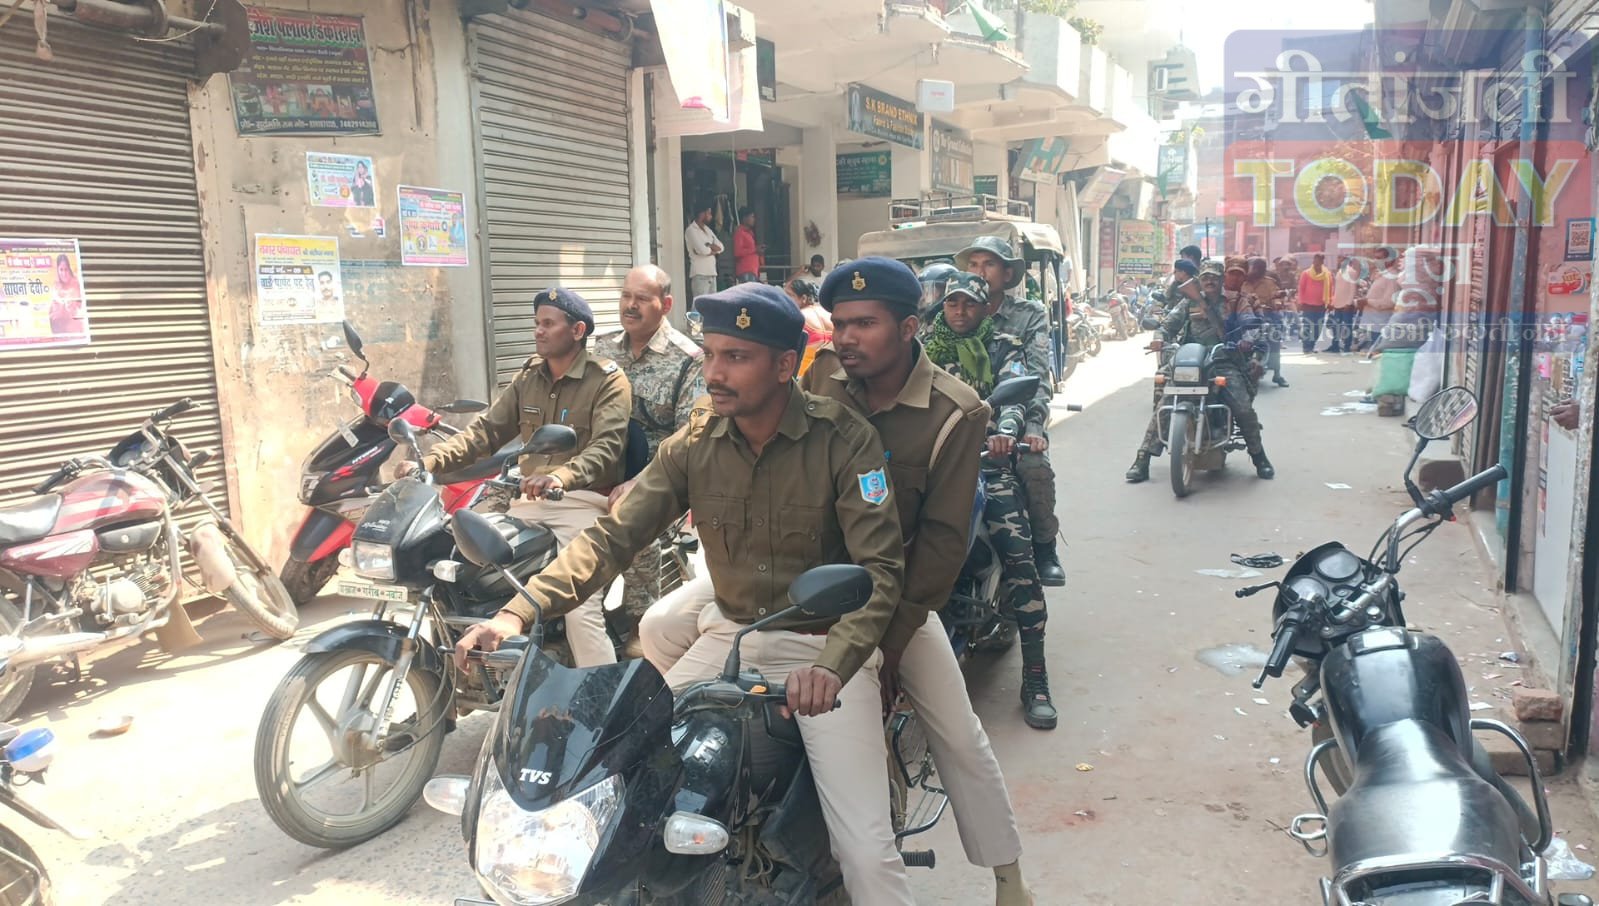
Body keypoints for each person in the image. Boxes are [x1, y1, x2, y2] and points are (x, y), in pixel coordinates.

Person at [458, 283, 919, 905]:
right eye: (711, 355)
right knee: (626, 774)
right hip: (730, 636)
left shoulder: (843, 440)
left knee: (863, 849)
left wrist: (833, 667)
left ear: (785, 365)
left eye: (737, 357)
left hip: (821, 646)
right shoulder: (697, 441)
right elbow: (614, 537)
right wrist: (518, 613)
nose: (715, 373)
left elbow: (879, 570)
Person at [801, 257, 1038, 901]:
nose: (847, 338)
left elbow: (941, 543)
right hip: (810, 590)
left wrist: (891, 641)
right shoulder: (822, 378)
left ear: (908, 328)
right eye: (840, 324)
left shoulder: (956, 412)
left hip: (899, 595)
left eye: (865, 324)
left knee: (958, 736)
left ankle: (1008, 877)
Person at [410, 287, 629, 667]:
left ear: (577, 330)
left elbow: (606, 448)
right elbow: (485, 432)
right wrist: (429, 463)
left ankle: (604, 698)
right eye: (537, 323)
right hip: (527, 504)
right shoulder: (529, 377)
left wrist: (561, 477)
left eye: (549, 324)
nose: (538, 331)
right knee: (459, 579)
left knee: (580, 611)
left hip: (582, 506)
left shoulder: (606, 380)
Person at [923, 270, 1058, 729]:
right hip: (928, 469)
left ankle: (1036, 678)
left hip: (985, 465)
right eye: (952, 303)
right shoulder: (923, 349)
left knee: (1020, 561)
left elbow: (1016, 397)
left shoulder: (1004, 346)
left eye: (969, 304)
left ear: (984, 308)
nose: (959, 311)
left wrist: (1005, 431)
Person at [592, 265, 705, 648]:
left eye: (642, 298)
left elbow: (689, 436)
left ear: (665, 304)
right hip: (605, 467)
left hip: (662, 476)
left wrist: (639, 481)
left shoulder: (689, 358)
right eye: (626, 296)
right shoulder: (603, 348)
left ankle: (642, 628)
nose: (630, 305)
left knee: (633, 521)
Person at [955, 237, 1065, 587]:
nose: (980, 272)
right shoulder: (951, 313)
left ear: (1006, 274)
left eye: (988, 264)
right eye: (973, 265)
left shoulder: (1028, 314)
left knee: (1034, 467)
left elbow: (1037, 376)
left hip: (1013, 416)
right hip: (958, 421)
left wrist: (1033, 428)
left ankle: (1045, 548)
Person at [1126, 260, 1275, 482]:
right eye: (1205, 277)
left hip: (1223, 360)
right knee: (1165, 404)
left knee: (1242, 407)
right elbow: (1167, 326)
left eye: (1214, 277)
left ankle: (1259, 457)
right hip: (1190, 361)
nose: (1209, 281)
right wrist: (1159, 339)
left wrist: (1246, 340)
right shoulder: (1189, 301)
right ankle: (1142, 460)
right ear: (1199, 280)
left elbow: (1251, 326)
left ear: (1221, 279)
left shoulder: (1235, 300)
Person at [1241, 256, 1290, 388]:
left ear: (1260, 269)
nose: (1251, 270)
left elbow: (1276, 297)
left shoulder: (1269, 283)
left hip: (1266, 315)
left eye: (1253, 268)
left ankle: (1277, 374)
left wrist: (1277, 303)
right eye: (1249, 267)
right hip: (1245, 315)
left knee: (1274, 339)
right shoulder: (1241, 282)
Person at [685, 202, 723, 299]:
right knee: (700, 305)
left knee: (712, 305)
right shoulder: (691, 230)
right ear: (702, 214)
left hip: (712, 273)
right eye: (709, 213)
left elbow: (721, 247)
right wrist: (713, 250)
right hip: (700, 274)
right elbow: (702, 250)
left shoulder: (708, 230)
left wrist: (709, 245)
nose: (711, 216)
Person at [1327, 256, 1364, 354]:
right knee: (1336, 326)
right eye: (1339, 260)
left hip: (1347, 304)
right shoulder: (1339, 271)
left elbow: (1353, 289)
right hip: (1338, 303)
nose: (1339, 262)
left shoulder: (1352, 272)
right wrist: (1333, 302)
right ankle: (1335, 346)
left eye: (1341, 260)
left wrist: (1349, 303)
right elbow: (1337, 289)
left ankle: (1347, 346)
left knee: (1347, 326)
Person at [1297, 252, 1332, 353]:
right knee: (1307, 327)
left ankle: (1311, 346)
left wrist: (1330, 302)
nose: (1316, 262)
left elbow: (1330, 289)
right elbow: (1301, 288)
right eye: (1315, 260)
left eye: (1318, 261)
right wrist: (1300, 302)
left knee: (1318, 328)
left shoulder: (1327, 274)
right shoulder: (1306, 273)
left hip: (1321, 305)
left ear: (1322, 262)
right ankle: (1306, 347)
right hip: (1307, 305)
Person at [49, 253, 86, 336]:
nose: (64, 273)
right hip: (61, 327)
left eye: (66, 269)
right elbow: (53, 311)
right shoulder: (56, 286)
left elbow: (82, 306)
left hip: (76, 325)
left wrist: (74, 304)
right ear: (57, 270)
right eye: (61, 270)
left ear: (69, 269)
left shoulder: (77, 283)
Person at [733, 207, 763, 283]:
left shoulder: (749, 233)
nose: (754, 219)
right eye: (752, 217)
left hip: (753, 270)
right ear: (744, 218)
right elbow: (737, 252)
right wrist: (755, 249)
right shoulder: (740, 232)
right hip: (746, 270)